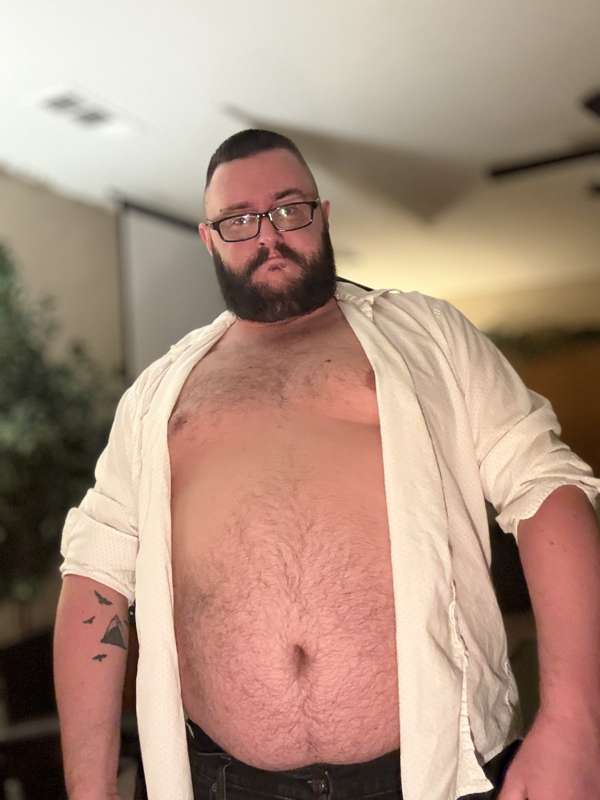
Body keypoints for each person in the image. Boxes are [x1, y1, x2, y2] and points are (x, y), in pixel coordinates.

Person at [54, 129, 600, 800]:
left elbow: (547, 488)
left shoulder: (428, 335)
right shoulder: (158, 396)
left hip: (434, 776)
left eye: (289, 209)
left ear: (323, 214)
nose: (268, 236)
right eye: (239, 220)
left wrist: (575, 723)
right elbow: (95, 575)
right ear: (208, 239)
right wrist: (89, 791)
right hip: (218, 782)